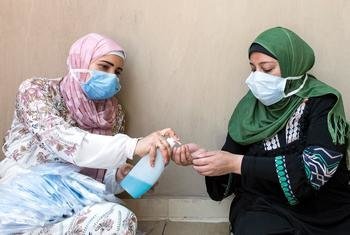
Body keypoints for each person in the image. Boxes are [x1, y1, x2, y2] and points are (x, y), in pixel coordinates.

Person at [173, 27, 350, 234]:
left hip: (324, 206)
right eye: (253, 69)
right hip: (264, 204)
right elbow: (229, 160)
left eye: (266, 69)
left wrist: (237, 163)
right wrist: (204, 159)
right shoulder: (249, 109)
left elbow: (315, 169)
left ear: (293, 66)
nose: (257, 77)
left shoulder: (322, 101)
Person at [0, 33, 182, 234]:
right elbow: (62, 141)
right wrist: (134, 145)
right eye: (104, 67)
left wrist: (118, 176)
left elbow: (97, 175)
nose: (112, 77)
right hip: (29, 193)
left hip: (80, 199)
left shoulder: (113, 113)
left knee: (120, 219)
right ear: (80, 61)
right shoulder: (36, 91)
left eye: (118, 72)